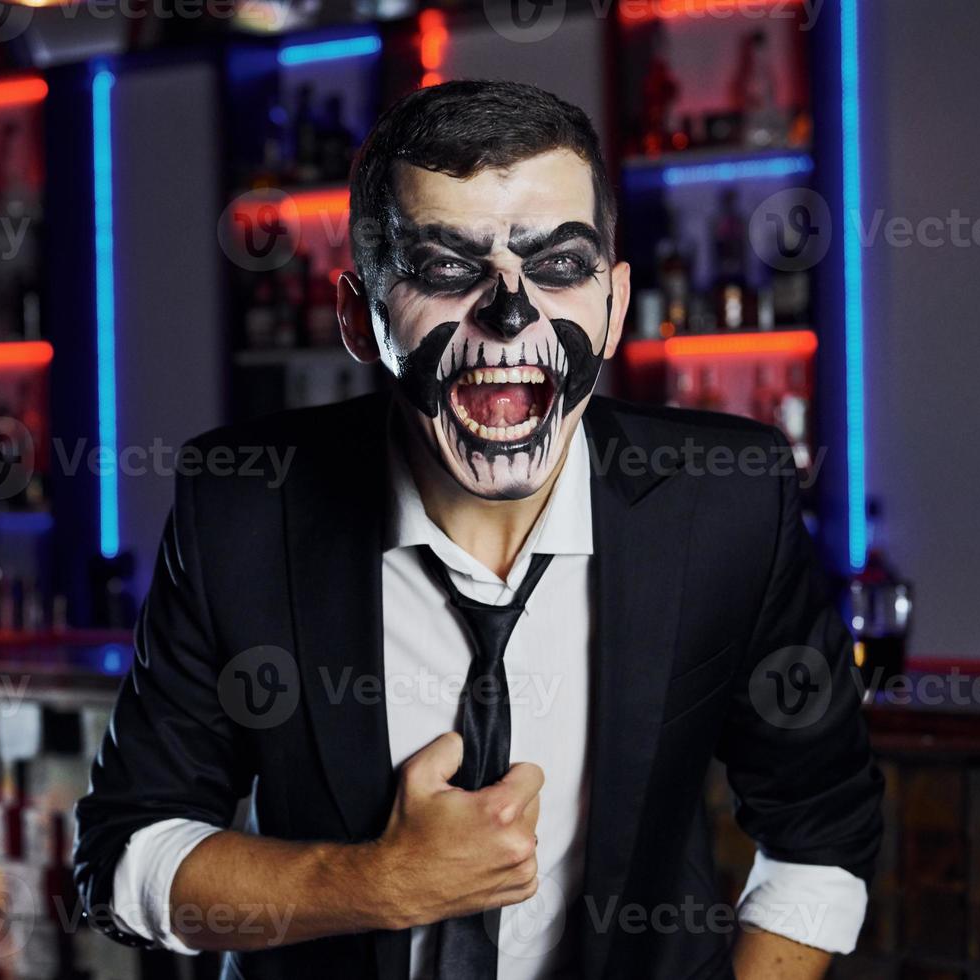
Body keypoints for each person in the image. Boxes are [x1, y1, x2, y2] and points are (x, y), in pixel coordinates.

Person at [74, 80, 882, 979]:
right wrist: (379, 884)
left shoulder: (728, 503)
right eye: (445, 267)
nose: (511, 313)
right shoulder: (241, 508)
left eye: (561, 265)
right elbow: (121, 860)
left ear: (614, 307)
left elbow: (822, 821)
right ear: (360, 318)